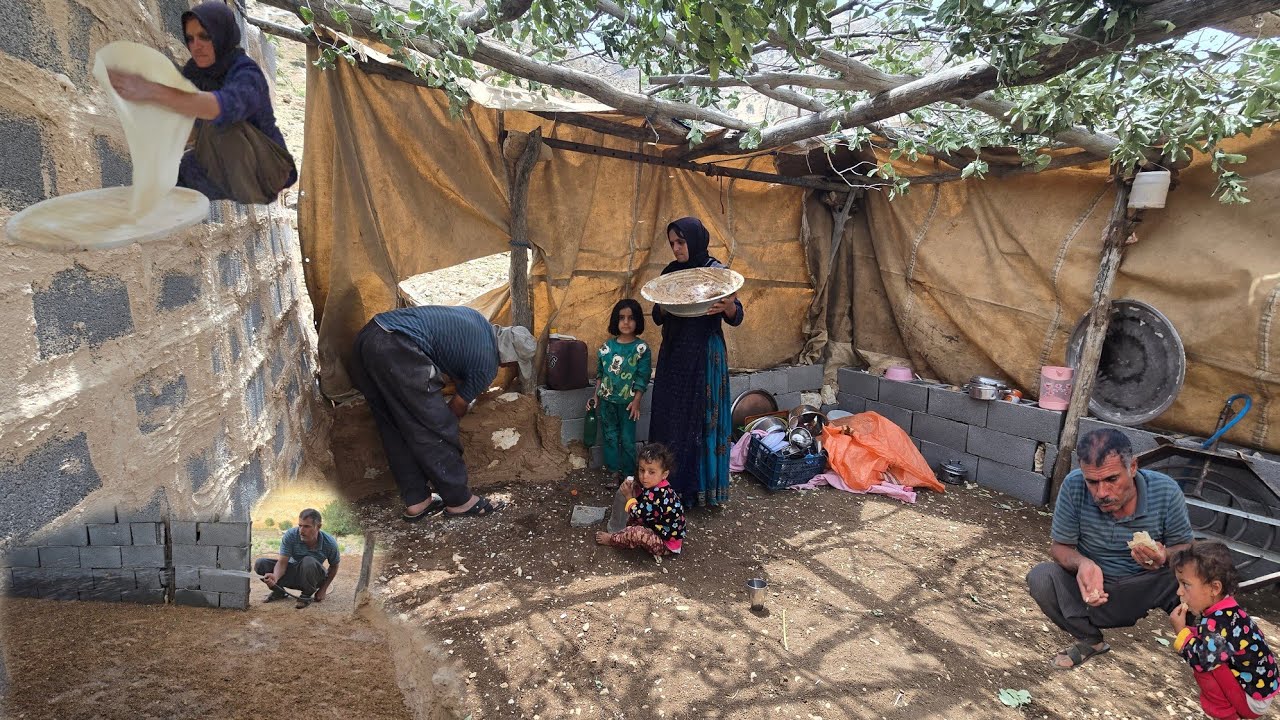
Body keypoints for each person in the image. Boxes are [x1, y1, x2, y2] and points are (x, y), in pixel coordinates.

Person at [348, 305, 536, 521]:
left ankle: (417, 501)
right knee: (438, 426)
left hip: (368, 339)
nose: (508, 367)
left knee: (394, 427)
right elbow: (456, 408)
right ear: (509, 357)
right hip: (398, 347)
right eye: (513, 363)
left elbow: (455, 363)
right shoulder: (487, 365)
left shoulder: (477, 320)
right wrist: (444, 422)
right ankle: (459, 501)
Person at [1026, 427, 1193, 669]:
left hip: (1145, 586)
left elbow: (1185, 547)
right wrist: (1083, 563)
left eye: (1112, 479)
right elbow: (1061, 547)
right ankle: (1089, 638)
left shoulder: (1165, 491)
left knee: (1205, 565)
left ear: (1133, 467)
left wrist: (1165, 555)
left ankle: (1200, 644)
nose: (1102, 493)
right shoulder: (1074, 487)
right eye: (1092, 482)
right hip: (1094, 592)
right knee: (1041, 577)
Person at [107, 1, 296, 203]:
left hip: (268, 170)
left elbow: (224, 107)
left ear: (221, 35)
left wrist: (152, 91)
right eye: (190, 38)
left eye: (205, 37)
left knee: (219, 122)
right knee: (167, 185)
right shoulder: (195, 73)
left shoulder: (246, 72)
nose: (196, 46)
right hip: (222, 161)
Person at [648, 217, 744, 508]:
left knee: (702, 420)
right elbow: (656, 314)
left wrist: (728, 307)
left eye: (681, 242)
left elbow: (737, 316)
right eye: (673, 243)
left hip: (704, 355)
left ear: (696, 240)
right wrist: (665, 308)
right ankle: (667, 486)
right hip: (674, 354)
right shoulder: (671, 274)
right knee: (670, 416)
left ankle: (698, 491)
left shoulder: (717, 274)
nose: (676, 248)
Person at [1169, 541, 1278, 719]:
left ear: (1214, 588)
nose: (1179, 592)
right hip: (1261, 687)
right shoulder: (1227, 609)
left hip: (1252, 698)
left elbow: (1201, 661)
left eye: (1185, 584)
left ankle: (1226, 716)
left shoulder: (1218, 622)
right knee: (1205, 648)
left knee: (1204, 666)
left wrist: (1181, 633)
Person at [587, 298, 651, 482]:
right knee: (610, 438)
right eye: (621, 317)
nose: (625, 322)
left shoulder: (641, 349)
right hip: (607, 402)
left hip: (629, 404)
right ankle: (613, 472)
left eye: (631, 318)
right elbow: (601, 374)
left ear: (637, 321)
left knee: (628, 440)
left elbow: (643, 376)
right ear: (615, 320)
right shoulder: (606, 348)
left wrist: (637, 401)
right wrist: (595, 397)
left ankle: (630, 475)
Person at [595, 443, 686, 556]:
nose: (645, 476)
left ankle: (613, 539)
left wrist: (629, 496)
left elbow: (637, 513)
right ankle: (623, 531)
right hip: (660, 528)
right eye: (642, 470)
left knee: (637, 533)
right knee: (636, 507)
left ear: (664, 474)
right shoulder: (660, 486)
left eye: (651, 472)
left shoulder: (658, 496)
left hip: (666, 543)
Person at [255, 508, 339, 609]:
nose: (301, 531)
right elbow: (282, 563)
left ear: (318, 527)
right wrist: (275, 578)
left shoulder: (329, 543)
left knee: (308, 561)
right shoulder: (291, 535)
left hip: (313, 577)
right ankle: (279, 592)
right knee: (260, 563)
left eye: (307, 526)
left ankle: (306, 595)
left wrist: (323, 589)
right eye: (300, 526)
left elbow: (334, 567)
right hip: (293, 573)